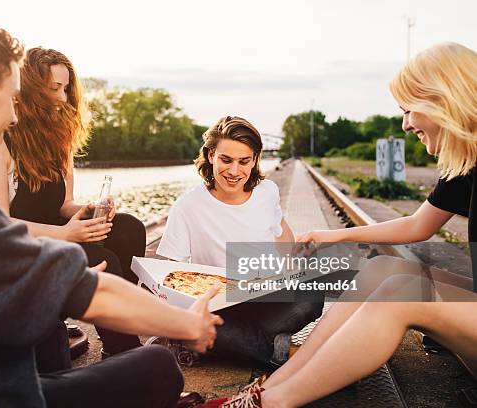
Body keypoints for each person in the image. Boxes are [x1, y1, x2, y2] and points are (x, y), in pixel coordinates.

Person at [0, 17, 223, 408]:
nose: (14, 116)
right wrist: (188, 323)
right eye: (11, 98)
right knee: (158, 366)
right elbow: (92, 293)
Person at [200, 42, 477, 408]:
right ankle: (272, 386)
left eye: (409, 109)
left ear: (443, 100)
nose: (405, 124)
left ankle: (269, 404)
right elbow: (418, 226)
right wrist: (336, 235)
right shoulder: (466, 161)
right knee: (383, 269)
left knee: (399, 295)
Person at [0, 47, 143, 369]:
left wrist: (89, 211)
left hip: (59, 235)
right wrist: (67, 234)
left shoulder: (59, 139)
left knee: (128, 227)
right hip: (17, 251)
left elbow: (64, 204)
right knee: (103, 259)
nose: (63, 98)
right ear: (31, 90)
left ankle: (117, 334)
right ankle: (129, 355)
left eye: (66, 88)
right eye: (54, 89)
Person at [157, 116, 324, 367]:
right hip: (222, 308)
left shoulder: (267, 192)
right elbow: (170, 271)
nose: (234, 171)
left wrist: (297, 266)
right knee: (210, 329)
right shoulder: (187, 205)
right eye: (226, 160)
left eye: (244, 161)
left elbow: (282, 235)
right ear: (211, 155)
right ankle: (287, 352)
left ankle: (227, 346)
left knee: (312, 294)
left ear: (255, 159)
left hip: (266, 298)